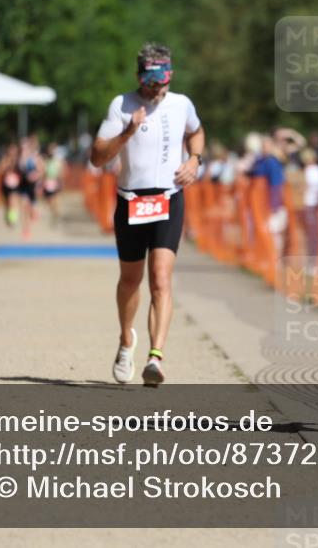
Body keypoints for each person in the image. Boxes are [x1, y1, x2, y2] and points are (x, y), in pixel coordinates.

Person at [91, 42, 204, 387]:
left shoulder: (181, 103)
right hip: (130, 201)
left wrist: (195, 160)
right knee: (130, 281)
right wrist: (126, 131)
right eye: (153, 84)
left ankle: (156, 356)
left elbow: (196, 132)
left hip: (169, 199)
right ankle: (127, 340)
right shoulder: (121, 105)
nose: (159, 90)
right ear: (140, 78)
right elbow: (97, 157)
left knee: (161, 278)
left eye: (164, 83)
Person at [247, 135, 288, 258]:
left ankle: (275, 259)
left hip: (272, 204)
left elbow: (276, 184)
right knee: (264, 231)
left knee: (273, 231)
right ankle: (266, 257)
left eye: (267, 146)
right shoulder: (260, 161)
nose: (264, 148)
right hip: (261, 204)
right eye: (263, 146)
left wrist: (274, 205)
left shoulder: (272, 162)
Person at [300, 147, 318, 258]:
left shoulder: (307, 171)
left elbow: (304, 187)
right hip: (316, 203)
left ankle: (313, 256)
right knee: (314, 230)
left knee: (311, 232)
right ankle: (314, 254)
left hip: (308, 203)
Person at [0, 142, 22, 227]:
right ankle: (8, 217)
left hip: (16, 185)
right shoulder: (5, 159)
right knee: (7, 204)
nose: (12, 151)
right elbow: (0, 170)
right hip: (6, 185)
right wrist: (8, 165)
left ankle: (13, 220)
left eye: (14, 150)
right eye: (11, 149)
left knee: (13, 202)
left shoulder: (19, 160)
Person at [43, 142, 64, 227]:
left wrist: (60, 182)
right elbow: (43, 172)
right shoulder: (45, 160)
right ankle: (55, 213)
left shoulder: (58, 161)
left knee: (55, 201)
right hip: (47, 183)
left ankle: (56, 216)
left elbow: (61, 172)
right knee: (49, 201)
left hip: (55, 182)